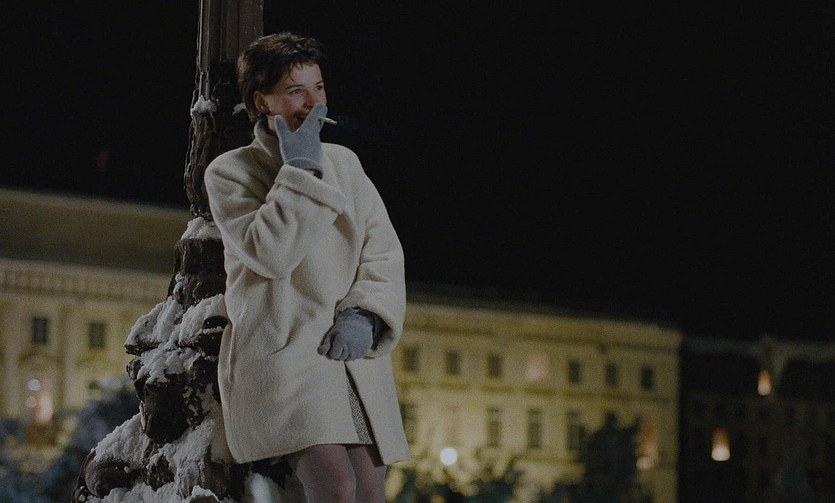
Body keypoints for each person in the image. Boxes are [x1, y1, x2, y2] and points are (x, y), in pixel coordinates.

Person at [204, 31, 409, 502]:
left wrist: (366, 315)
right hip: (286, 354)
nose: (312, 103)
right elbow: (271, 253)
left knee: (370, 492)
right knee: (336, 487)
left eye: (318, 88)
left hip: (349, 358)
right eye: (296, 91)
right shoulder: (230, 172)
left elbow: (383, 251)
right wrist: (299, 173)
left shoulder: (346, 164)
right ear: (262, 101)